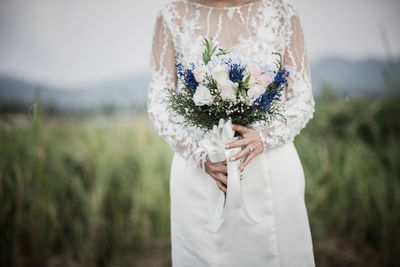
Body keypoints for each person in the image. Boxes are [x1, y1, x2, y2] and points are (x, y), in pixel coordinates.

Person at [147, 0, 316, 266]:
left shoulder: (282, 12)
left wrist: (265, 136)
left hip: (270, 165)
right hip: (200, 171)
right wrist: (198, 154)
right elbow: (159, 101)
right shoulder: (172, 15)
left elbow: (302, 97)